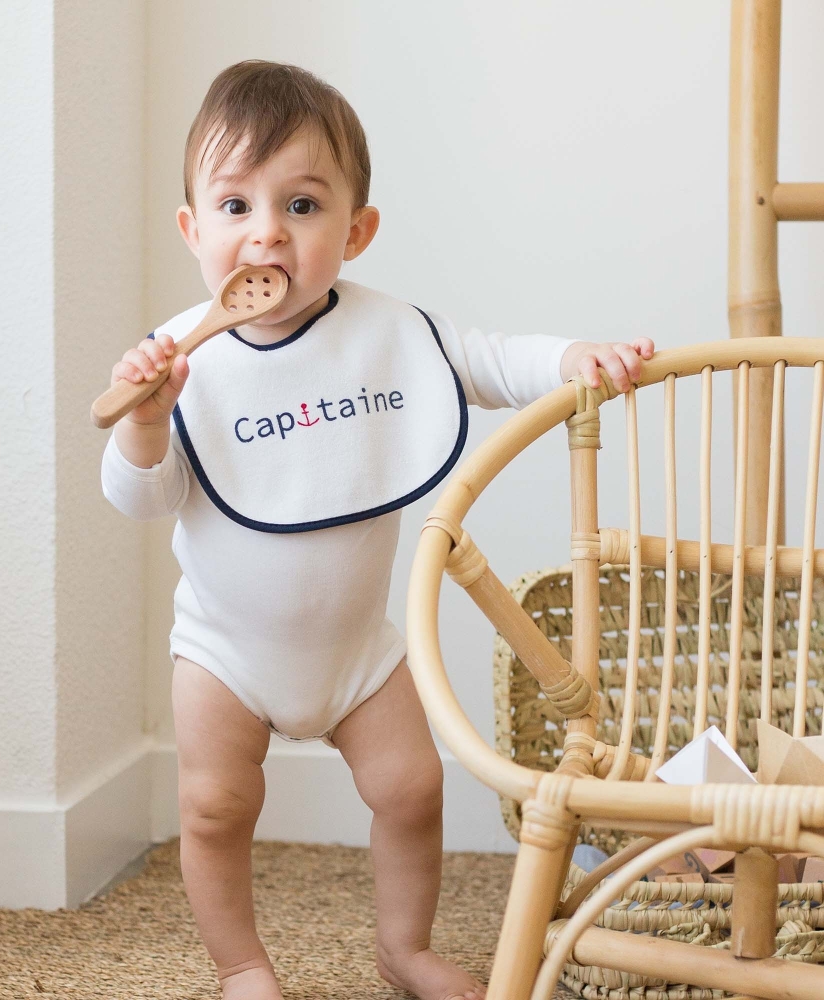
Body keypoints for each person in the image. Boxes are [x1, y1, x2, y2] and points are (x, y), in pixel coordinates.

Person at [101, 60, 653, 1000]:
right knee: (214, 806)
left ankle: (405, 948)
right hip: (225, 653)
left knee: (412, 789)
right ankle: (241, 965)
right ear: (194, 230)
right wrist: (147, 423)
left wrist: (571, 358)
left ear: (355, 231)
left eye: (302, 205)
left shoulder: (389, 335)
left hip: (358, 652)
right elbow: (138, 501)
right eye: (235, 206)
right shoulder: (181, 360)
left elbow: (485, 362)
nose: (266, 231)